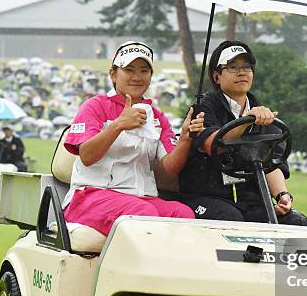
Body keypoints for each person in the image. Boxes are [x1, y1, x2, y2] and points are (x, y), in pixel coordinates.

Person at [61, 41, 205, 237]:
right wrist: (118, 124)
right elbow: (86, 156)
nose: (137, 77)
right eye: (129, 70)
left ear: (151, 76)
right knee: (142, 215)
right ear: (113, 74)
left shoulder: (157, 116)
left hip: (142, 198)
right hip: (91, 196)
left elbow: (171, 168)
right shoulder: (95, 106)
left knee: (183, 214)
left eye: (144, 71)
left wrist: (186, 139)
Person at [179, 40, 307, 226]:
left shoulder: (261, 112)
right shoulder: (203, 108)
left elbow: (271, 164)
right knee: (230, 219)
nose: (241, 72)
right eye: (232, 67)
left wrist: (282, 195)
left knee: (296, 221)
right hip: (204, 197)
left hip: (249, 202)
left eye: (247, 67)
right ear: (216, 76)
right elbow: (212, 145)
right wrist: (246, 121)